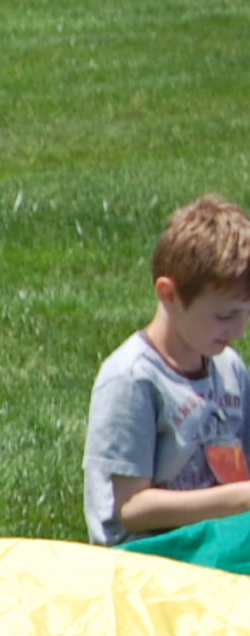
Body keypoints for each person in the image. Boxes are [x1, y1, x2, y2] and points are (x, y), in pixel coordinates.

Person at [82, 195, 250, 547]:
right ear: (169, 295)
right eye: (225, 315)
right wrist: (239, 500)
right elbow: (132, 508)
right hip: (147, 553)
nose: (239, 330)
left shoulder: (229, 367)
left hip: (216, 537)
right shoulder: (133, 379)